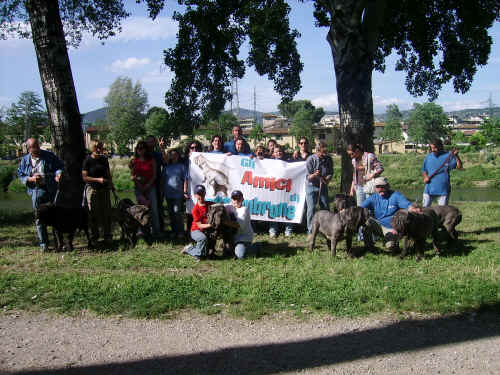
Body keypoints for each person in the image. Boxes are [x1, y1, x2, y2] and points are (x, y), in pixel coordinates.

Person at [17, 138, 64, 251]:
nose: (37, 148)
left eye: (37, 146)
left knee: (56, 216)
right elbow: (20, 174)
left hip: (51, 189)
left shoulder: (49, 155)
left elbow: (59, 166)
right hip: (36, 191)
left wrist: (59, 174)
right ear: (28, 149)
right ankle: (44, 245)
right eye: (34, 147)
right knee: (39, 218)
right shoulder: (25, 160)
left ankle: (59, 243)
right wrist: (31, 178)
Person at [361, 176, 420, 251]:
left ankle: (393, 243)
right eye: (378, 187)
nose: (380, 189)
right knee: (367, 222)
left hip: (393, 228)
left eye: (382, 186)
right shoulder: (373, 197)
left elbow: (408, 206)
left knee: (390, 246)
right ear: (375, 188)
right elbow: (360, 208)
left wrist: (415, 210)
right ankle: (369, 247)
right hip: (379, 225)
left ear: (387, 186)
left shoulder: (396, 195)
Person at [82, 140, 114, 246]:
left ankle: (108, 236)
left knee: (107, 213)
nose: (99, 150)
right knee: (93, 214)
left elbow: (108, 174)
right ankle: (94, 237)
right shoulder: (87, 160)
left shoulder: (104, 160)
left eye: (100, 147)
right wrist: (98, 180)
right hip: (92, 190)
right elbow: (85, 177)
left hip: (104, 189)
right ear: (92, 148)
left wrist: (111, 185)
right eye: (97, 148)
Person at [130, 140, 161, 237]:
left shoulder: (151, 160)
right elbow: (132, 176)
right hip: (138, 188)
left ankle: (157, 231)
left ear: (146, 149)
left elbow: (154, 175)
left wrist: (147, 185)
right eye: (139, 148)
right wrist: (138, 184)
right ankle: (142, 231)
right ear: (136, 150)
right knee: (140, 210)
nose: (141, 150)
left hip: (150, 187)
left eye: (143, 148)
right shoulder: (134, 161)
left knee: (154, 209)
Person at [422, 138, 463, 207]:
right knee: (424, 210)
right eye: (431, 148)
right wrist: (425, 176)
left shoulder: (449, 156)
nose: (433, 150)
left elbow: (459, 167)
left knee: (442, 212)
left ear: (440, 146)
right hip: (429, 189)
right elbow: (424, 170)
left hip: (443, 190)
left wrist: (456, 156)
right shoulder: (428, 157)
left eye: (435, 148)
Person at [305, 141, 334, 233]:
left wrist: (328, 179)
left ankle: (326, 228)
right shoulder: (310, 159)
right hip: (311, 186)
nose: (325, 154)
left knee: (325, 207)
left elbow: (330, 172)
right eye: (323, 152)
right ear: (317, 151)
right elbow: (308, 177)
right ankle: (311, 230)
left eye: (326, 152)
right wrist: (314, 174)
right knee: (311, 209)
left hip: (323, 185)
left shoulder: (328, 159)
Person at [181, 185, 214, 260]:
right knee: (202, 238)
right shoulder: (195, 209)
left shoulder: (210, 204)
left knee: (205, 253)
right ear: (195, 195)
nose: (201, 196)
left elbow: (220, 206)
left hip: (206, 230)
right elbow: (199, 225)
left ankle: (194, 248)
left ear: (205, 193)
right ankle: (189, 250)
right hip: (196, 230)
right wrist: (210, 225)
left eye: (202, 193)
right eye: (199, 194)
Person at [269, 144, 294, 237]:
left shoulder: (288, 162)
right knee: (273, 209)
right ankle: (273, 230)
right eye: (276, 152)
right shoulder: (269, 163)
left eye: (280, 151)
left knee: (287, 208)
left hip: (286, 189)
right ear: (273, 154)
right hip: (274, 190)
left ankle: (288, 230)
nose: (278, 153)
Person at [224, 190, 258, 259]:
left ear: (242, 199)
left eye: (238, 199)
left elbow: (238, 225)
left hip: (244, 238)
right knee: (228, 253)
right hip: (233, 237)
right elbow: (218, 206)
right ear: (231, 199)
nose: (236, 201)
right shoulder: (229, 206)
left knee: (240, 256)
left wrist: (224, 222)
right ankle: (233, 247)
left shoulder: (244, 210)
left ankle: (256, 246)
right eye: (234, 198)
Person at [162, 149, 186, 239]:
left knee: (177, 212)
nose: (174, 156)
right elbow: (162, 180)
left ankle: (181, 231)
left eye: (176, 154)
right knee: (171, 213)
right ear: (170, 156)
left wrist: (184, 191)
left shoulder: (182, 166)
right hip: (168, 194)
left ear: (178, 156)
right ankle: (174, 231)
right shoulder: (166, 167)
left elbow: (185, 180)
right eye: (172, 155)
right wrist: (162, 193)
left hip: (178, 194)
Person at [146, 135, 165, 232]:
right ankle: (147, 229)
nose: (150, 144)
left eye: (152, 142)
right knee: (146, 207)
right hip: (145, 185)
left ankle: (159, 229)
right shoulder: (142, 154)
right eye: (148, 142)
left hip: (157, 184)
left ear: (155, 143)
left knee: (158, 207)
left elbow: (165, 162)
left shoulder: (157, 154)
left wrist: (162, 148)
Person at [184, 140, 203, 233]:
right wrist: (184, 191)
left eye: (196, 147)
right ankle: (189, 232)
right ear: (189, 149)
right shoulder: (185, 161)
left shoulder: (203, 158)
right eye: (192, 147)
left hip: (200, 188)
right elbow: (185, 177)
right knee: (189, 211)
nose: (194, 149)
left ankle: (199, 230)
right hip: (189, 188)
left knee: (200, 209)